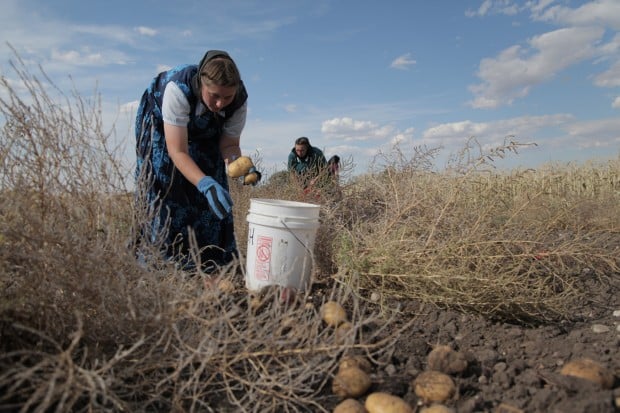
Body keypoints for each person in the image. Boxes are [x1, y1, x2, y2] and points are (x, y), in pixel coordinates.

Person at [134, 49, 257, 272]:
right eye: (214, 95)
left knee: (212, 177)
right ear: (202, 84)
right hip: (162, 130)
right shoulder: (177, 89)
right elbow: (178, 150)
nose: (220, 104)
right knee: (165, 179)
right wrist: (203, 183)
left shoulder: (238, 101)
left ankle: (210, 261)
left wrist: (237, 164)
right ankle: (162, 262)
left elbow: (229, 145)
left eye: (226, 97)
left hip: (204, 130)